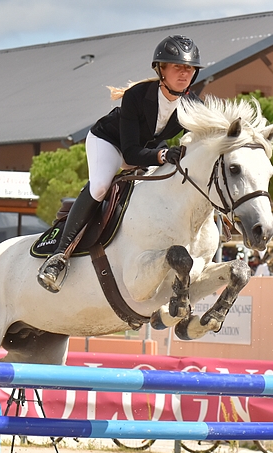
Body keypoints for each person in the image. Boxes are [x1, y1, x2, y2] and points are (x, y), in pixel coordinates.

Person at [37, 34, 203, 293]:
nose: (184, 74)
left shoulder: (193, 104)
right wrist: (162, 156)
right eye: (177, 67)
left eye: (189, 68)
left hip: (147, 148)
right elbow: (130, 153)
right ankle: (59, 256)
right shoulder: (137, 96)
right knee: (101, 186)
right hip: (110, 142)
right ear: (161, 70)